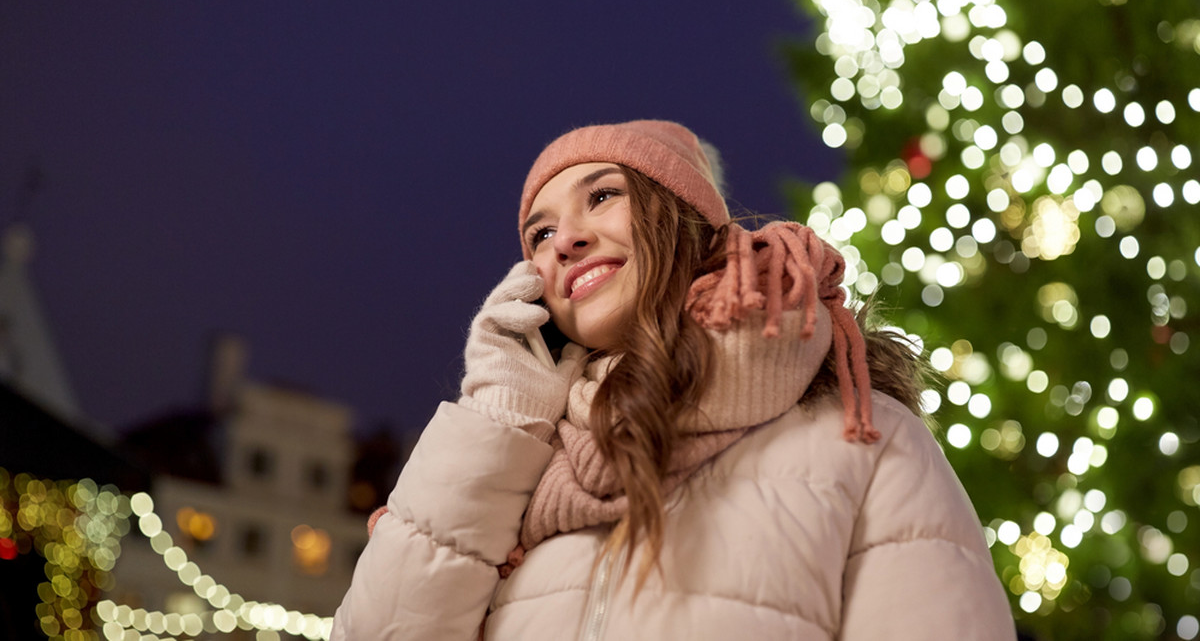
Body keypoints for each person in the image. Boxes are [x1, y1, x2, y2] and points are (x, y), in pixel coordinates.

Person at [331, 120, 1016, 640]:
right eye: (539, 235)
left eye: (602, 196)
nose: (564, 240)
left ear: (683, 220)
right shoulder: (515, 466)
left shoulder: (861, 437)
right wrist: (498, 418)